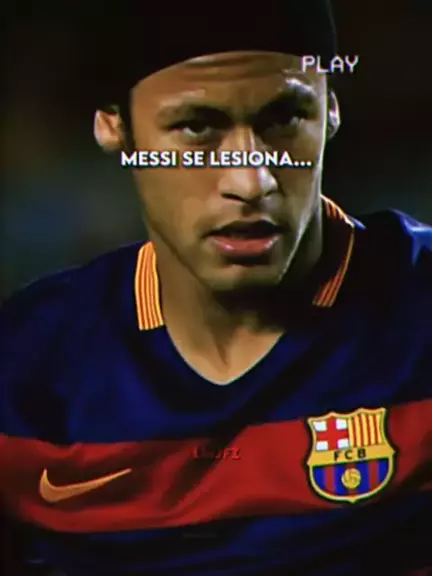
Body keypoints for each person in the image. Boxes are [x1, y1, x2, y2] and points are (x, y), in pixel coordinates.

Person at [1, 1, 431, 575]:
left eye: (284, 119)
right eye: (197, 128)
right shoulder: (24, 372)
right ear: (114, 126)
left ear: (330, 109)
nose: (251, 181)